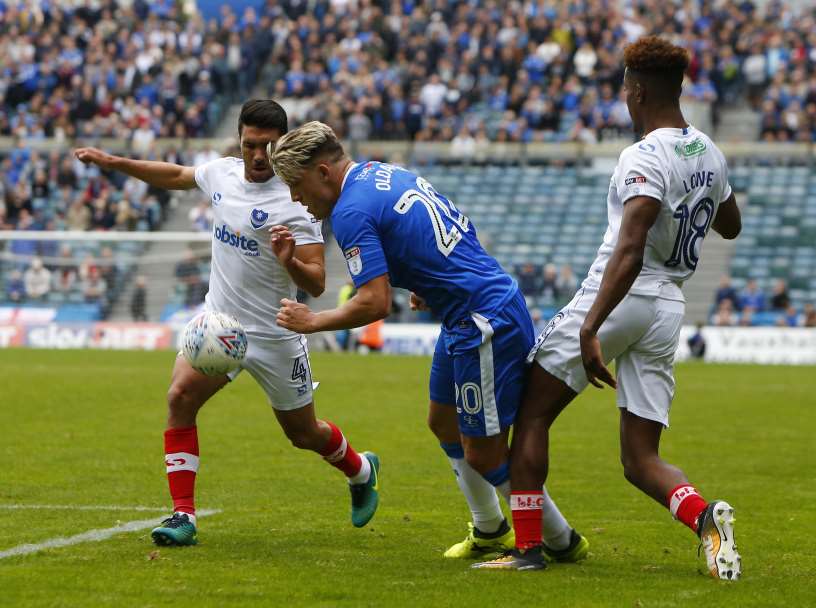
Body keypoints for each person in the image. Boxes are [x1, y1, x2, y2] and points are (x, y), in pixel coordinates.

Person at [476, 37, 743, 577]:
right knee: (639, 458)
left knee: (532, 413)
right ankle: (705, 520)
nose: (624, 96)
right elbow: (730, 223)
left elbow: (631, 242)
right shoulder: (707, 152)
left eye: (625, 87)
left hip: (623, 297)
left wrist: (591, 326)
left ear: (637, 90)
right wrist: (693, 200)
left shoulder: (642, 155)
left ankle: (528, 549)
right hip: (668, 306)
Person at [268, 121, 586, 562]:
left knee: (484, 451)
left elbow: (374, 303)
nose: (294, 198)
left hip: (482, 321)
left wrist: (312, 320)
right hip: (465, 313)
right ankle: (490, 529)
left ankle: (556, 540)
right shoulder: (382, 172)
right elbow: (455, 227)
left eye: (296, 185)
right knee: (442, 421)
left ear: (322, 172)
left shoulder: (349, 210)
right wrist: (427, 278)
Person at [74, 100, 379, 548]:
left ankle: (361, 470)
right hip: (221, 327)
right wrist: (114, 162)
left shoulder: (297, 199)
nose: (258, 155)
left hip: (276, 333)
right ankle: (183, 516)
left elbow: (315, 284)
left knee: (303, 434)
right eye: (250, 144)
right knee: (179, 397)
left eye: (268, 147)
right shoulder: (223, 174)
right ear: (239, 140)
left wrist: (288, 259)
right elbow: (177, 176)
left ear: (282, 145)